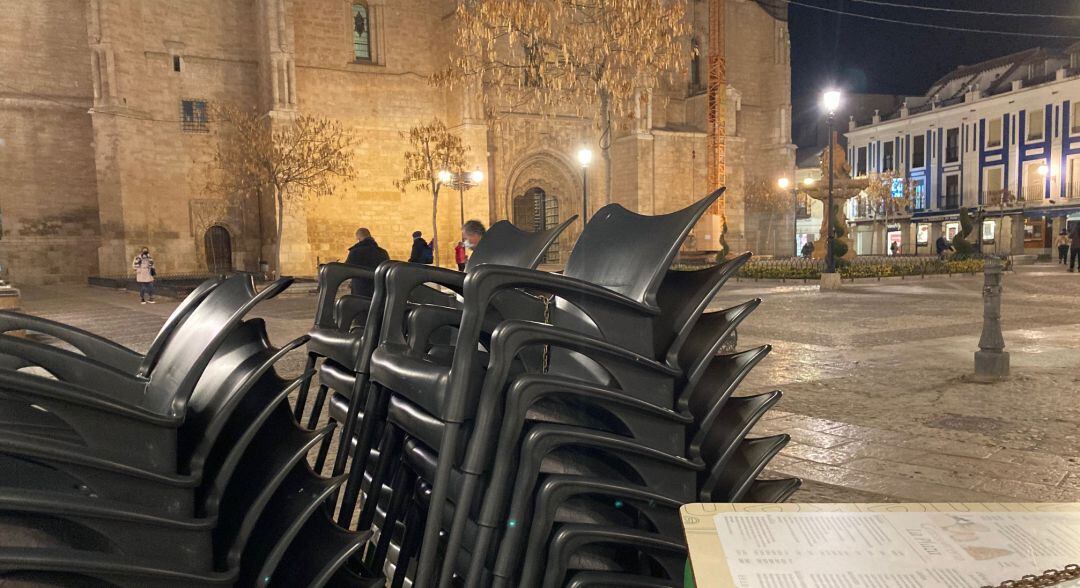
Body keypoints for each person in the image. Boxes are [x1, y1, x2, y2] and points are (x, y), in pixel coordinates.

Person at [345, 227, 389, 296]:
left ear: (358, 238)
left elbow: (346, 270)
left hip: (360, 290)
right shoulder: (383, 252)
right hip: (378, 291)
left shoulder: (355, 251)